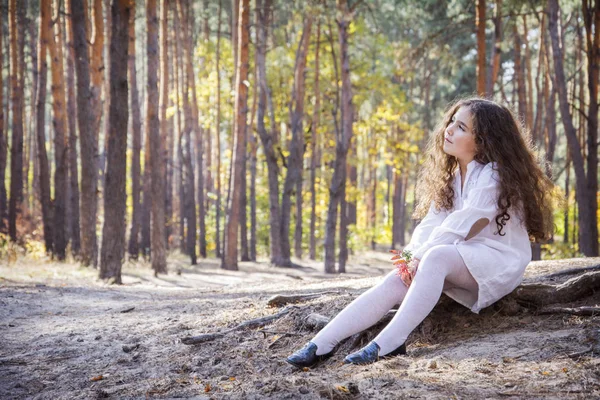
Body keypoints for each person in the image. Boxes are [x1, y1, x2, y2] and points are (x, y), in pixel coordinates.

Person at [286, 97, 556, 367]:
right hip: (460, 256)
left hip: (498, 261)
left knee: (436, 256)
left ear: (484, 140)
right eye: (452, 121)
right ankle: (320, 344)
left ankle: (389, 343)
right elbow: (430, 224)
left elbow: (464, 223)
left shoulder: (494, 175)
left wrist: (423, 255)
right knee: (398, 277)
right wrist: (409, 257)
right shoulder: (452, 178)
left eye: (461, 127)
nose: (448, 129)